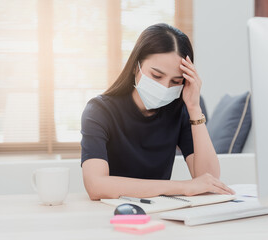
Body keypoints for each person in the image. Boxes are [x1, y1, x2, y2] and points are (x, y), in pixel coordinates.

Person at [81, 23, 234, 200]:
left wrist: (194, 108)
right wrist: (183, 186)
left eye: (176, 81)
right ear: (135, 66)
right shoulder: (99, 111)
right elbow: (96, 186)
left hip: (160, 214)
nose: (164, 87)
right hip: (112, 214)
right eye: (156, 76)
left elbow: (210, 180)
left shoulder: (179, 111)